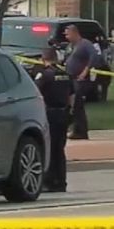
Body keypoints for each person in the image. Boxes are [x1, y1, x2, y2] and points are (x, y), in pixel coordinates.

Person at [35, 47, 73, 193]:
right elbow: (72, 95)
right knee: (60, 149)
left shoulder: (44, 75)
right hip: (63, 113)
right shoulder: (65, 74)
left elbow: (38, 94)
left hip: (50, 114)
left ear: (43, 58)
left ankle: (49, 181)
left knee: (49, 149)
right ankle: (61, 181)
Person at [63, 24, 97, 140]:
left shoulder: (85, 44)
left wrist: (85, 71)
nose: (66, 36)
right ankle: (75, 129)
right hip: (70, 78)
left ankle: (81, 131)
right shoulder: (71, 46)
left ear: (74, 33)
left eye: (68, 34)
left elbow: (94, 56)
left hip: (80, 79)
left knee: (78, 104)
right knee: (72, 105)